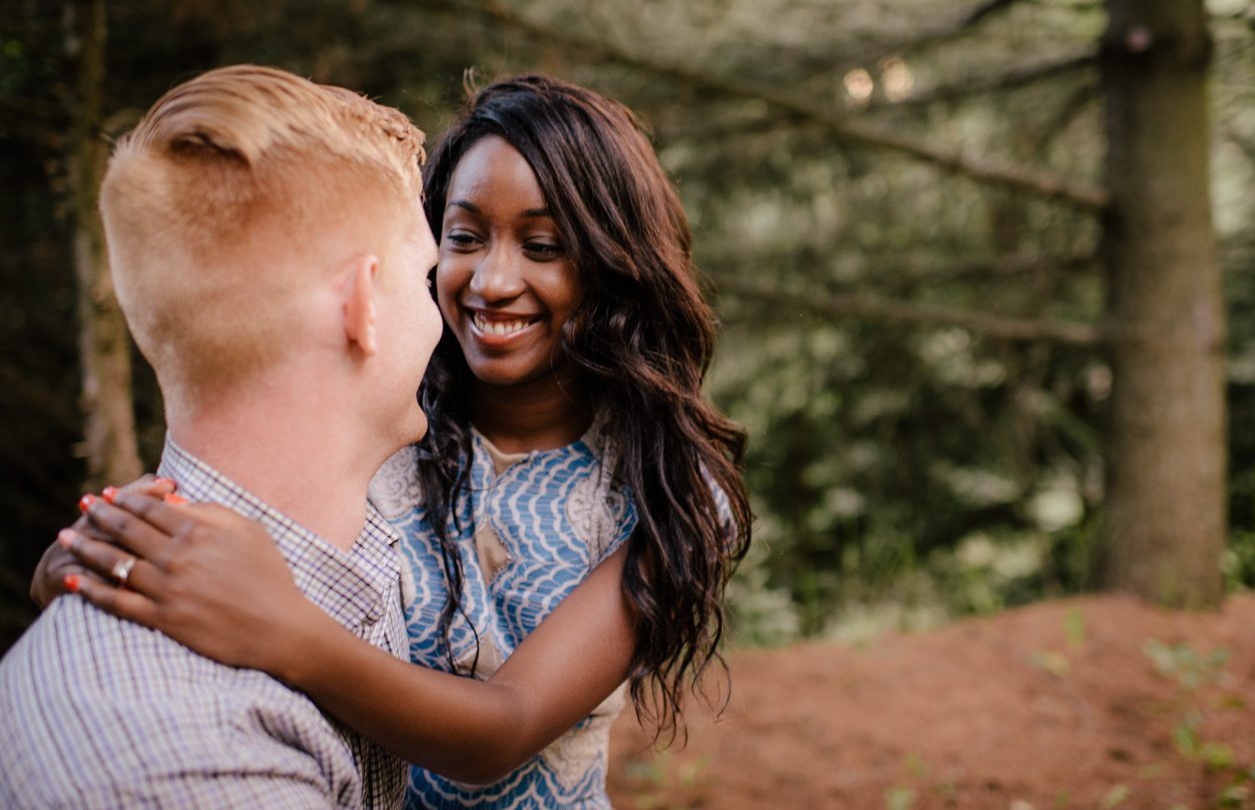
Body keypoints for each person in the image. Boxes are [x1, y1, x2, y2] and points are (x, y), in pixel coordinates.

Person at [39, 75, 752, 809]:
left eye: (542, 245)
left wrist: (286, 630)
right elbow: (238, 517)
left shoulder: (665, 491)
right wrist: (112, 557)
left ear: (615, 263)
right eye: (464, 237)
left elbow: (502, 728)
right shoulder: (386, 421)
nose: (492, 280)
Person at [3, 64, 443, 807]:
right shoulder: (189, 754)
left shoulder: (347, 551)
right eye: (425, 278)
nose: (441, 320)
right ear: (362, 304)